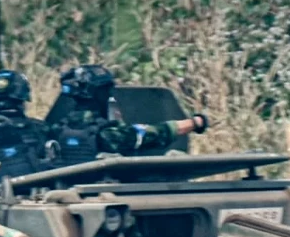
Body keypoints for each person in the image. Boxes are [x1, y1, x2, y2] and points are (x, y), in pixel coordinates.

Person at [50, 64, 209, 167]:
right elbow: (154, 133)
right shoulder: (109, 134)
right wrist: (195, 123)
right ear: (97, 94)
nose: (109, 94)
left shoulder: (57, 129)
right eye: (105, 91)